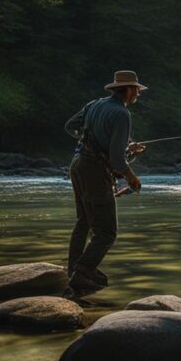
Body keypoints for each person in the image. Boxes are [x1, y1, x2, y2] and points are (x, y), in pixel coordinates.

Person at [62, 70, 147, 297]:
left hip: (77, 164)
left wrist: (91, 143)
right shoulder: (121, 114)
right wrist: (133, 178)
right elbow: (118, 161)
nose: (138, 93)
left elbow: (70, 127)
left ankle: (73, 269)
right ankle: (82, 272)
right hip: (94, 172)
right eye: (136, 89)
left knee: (83, 222)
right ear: (128, 90)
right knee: (107, 232)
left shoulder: (94, 105)